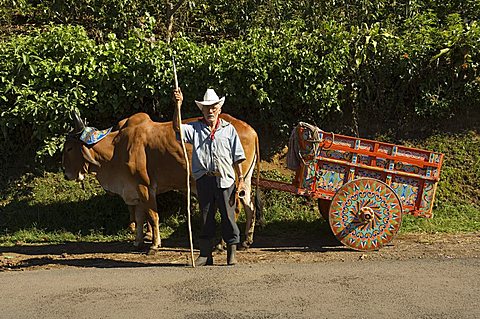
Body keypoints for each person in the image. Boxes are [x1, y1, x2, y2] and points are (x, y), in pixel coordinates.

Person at [173, 87, 247, 266]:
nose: (210, 111)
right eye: (207, 108)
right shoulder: (195, 128)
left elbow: (237, 156)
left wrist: (242, 179)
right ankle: (206, 254)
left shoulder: (229, 130)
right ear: (202, 110)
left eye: (214, 107)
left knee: (228, 217)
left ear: (219, 109)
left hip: (225, 179)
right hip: (204, 179)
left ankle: (231, 253)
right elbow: (177, 128)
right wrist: (178, 105)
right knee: (206, 217)